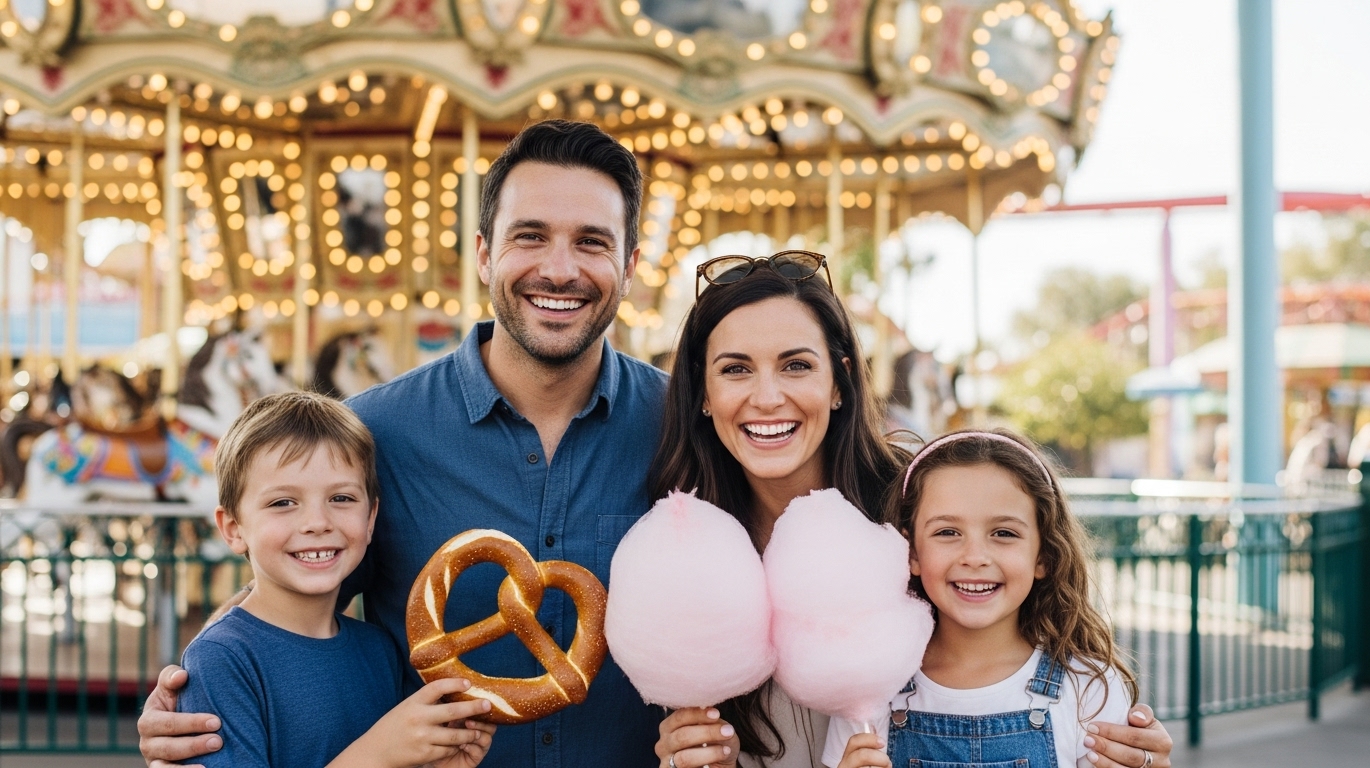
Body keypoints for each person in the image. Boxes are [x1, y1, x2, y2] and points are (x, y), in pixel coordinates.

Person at [139, 119, 665, 768]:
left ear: (629, 266)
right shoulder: (373, 434)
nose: (559, 270)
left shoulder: (685, 429)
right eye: (530, 237)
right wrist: (199, 689)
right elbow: (283, 600)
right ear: (483, 254)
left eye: (591, 242)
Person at [648, 259, 1172, 768]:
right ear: (703, 392)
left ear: (839, 383)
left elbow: (1042, 646)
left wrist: (1137, 753)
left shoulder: (921, 509)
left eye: (797, 365)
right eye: (735, 369)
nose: (767, 397)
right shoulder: (684, 544)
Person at [180, 391, 495, 768]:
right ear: (233, 529)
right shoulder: (221, 659)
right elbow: (379, 756)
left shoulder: (380, 650)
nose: (317, 523)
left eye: (341, 498)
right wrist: (379, 753)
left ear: (371, 518)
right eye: (283, 502)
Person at [825, 429, 1139, 768]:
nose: (974, 557)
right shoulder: (869, 687)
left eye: (1004, 533)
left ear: (1043, 556)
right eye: (947, 532)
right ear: (911, 552)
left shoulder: (1088, 689)